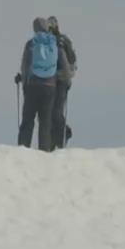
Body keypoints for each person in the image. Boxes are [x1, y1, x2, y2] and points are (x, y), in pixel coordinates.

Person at [15, 17, 58, 152]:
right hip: (50, 86)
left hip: (33, 85)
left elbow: (26, 65)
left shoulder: (31, 43)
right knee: (45, 121)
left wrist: (24, 82)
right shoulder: (53, 44)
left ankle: (23, 148)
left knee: (28, 119)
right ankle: (44, 151)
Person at [47, 16, 76, 149]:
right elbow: (73, 60)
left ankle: (63, 134)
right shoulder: (63, 40)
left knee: (55, 111)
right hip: (60, 79)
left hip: (60, 80)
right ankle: (56, 139)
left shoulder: (59, 41)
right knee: (53, 111)